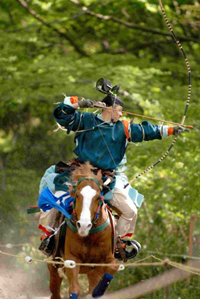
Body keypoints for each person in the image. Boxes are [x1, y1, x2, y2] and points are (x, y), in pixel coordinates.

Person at [39, 78, 188, 260]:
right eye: (118, 110)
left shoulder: (123, 128)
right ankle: (50, 238)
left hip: (107, 179)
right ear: (108, 109)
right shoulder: (86, 120)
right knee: (57, 202)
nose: (121, 114)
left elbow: (146, 131)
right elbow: (62, 116)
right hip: (80, 173)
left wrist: (171, 130)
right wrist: (77, 104)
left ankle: (117, 244)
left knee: (130, 211)